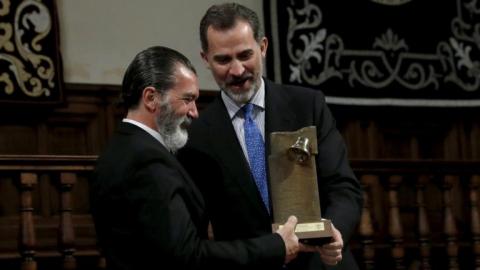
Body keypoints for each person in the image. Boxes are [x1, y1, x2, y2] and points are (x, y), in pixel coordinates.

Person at [178, 3, 363, 270]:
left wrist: (335, 231)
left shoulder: (307, 106)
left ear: (263, 47)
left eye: (245, 55)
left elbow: (345, 187)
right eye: (223, 59)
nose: (237, 70)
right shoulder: (195, 136)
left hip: (322, 263)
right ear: (205, 59)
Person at [89, 46, 304, 270]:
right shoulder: (147, 160)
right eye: (187, 99)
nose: (194, 112)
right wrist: (274, 247)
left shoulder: (120, 148)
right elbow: (187, 256)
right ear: (151, 98)